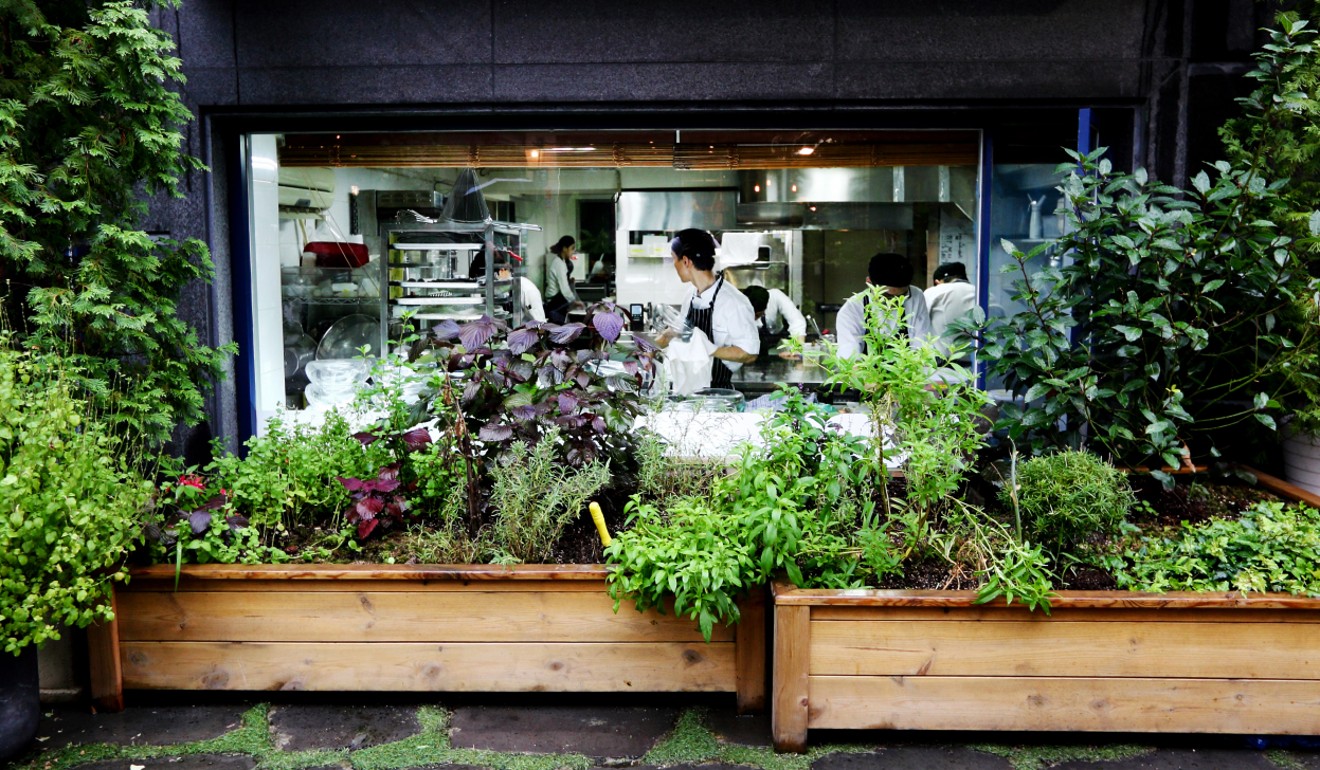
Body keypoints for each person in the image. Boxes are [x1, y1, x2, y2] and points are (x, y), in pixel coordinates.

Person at [655, 229, 760, 389]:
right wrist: (651, 347)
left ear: (686, 262)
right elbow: (681, 328)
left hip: (719, 396)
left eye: (673, 259)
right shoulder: (690, 295)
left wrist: (710, 349)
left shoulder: (734, 302)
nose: (673, 266)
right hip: (688, 392)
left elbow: (749, 354)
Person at [835, 252, 933, 359]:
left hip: (906, 369)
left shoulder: (915, 296)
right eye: (887, 296)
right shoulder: (853, 307)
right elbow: (849, 349)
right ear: (869, 282)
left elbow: (921, 341)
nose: (894, 302)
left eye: (902, 296)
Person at [924, 261, 978, 362]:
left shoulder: (935, 291)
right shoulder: (983, 293)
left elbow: (918, 322)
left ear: (937, 282)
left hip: (947, 364)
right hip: (981, 364)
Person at [742, 285, 807, 360]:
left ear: (765, 309)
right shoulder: (738, 306)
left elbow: (797, 321)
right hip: (751, 346)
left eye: (757, 315)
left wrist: (797, 350)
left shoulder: (776, 296)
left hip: (778, 343)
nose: (754, 319)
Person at [543, 235, 580, 323]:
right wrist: (575, 301)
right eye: (572, 248)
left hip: (557, 298)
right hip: (553, 301)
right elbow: (564, 289)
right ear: (564, 248)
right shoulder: (559, 264)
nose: (573, 252)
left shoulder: (561, 262)